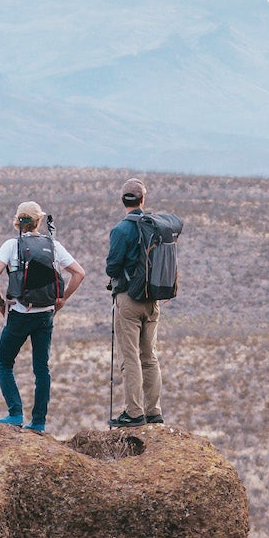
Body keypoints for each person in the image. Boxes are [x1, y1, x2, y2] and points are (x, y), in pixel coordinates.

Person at [0, 200, 84, 432]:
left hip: (20, 313)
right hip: (45, 315)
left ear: (18, 222)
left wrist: (0, 303)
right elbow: (79, 273)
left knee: (4, 363)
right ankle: (38, 422)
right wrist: (62, 299)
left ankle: (15, 413)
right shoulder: (53, 245)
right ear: (39, 221)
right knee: (41, 368)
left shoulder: (11, 245)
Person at [103, 177, 166, 426]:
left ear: (122, 200)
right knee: (149, 356)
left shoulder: (120, 230)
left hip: (128, 299)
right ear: (143, 199)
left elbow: (112, 266)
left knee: (130, 357)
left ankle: (133, 412)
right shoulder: (156, 227)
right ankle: (154, 411)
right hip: (153, 300)